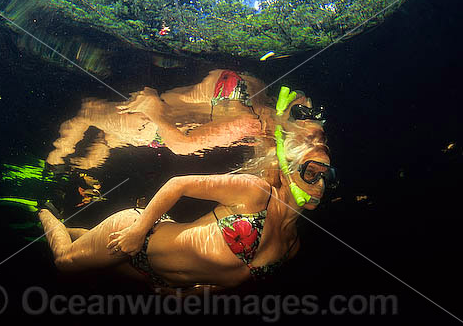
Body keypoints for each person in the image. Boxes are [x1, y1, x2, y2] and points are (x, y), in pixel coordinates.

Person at [38, 86, 337, 291]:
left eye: (328, 176)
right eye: (312, 172)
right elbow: (178, 183)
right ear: (286, 171)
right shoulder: (256, 193)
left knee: (85, 249)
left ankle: (67, 227)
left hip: (152, 277)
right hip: (138, 236)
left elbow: (224, 281)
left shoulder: (292, 246)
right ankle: (42, 209)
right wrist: (138, 231)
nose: (321, 184)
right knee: (65, 261)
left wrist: (187, 295)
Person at [45, 70, 272, 170]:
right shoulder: (258, 99)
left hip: (147, 123)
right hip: (149, 121)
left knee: (89, 112)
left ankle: (55, 164)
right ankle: (83, 154)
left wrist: (154, 109)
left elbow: (183, 146)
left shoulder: (250, 123)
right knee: (102, 131)